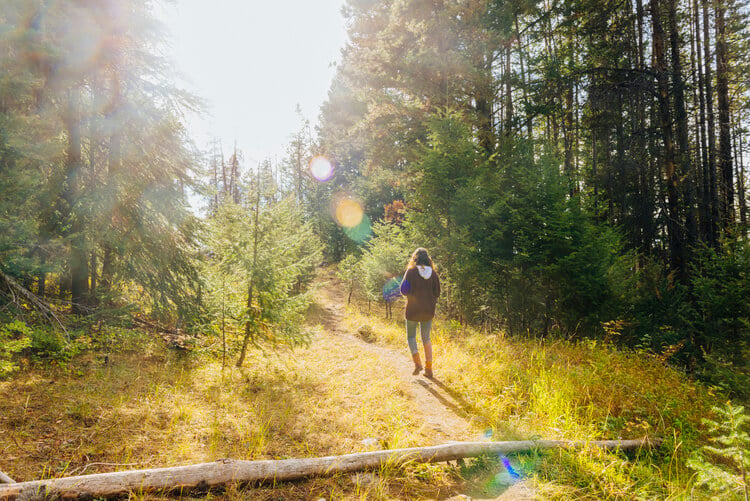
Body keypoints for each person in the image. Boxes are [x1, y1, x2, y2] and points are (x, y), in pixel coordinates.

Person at [400, 247, 440, 378]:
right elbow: (437, 293)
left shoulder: (411, 272)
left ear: (415, 258)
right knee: (426, 338)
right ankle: (429, 369)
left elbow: (404, 290)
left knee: (411, 337)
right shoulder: (433, 274)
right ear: (428, 259)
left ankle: (417, 364)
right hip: (428, 311)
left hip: (412, 310)